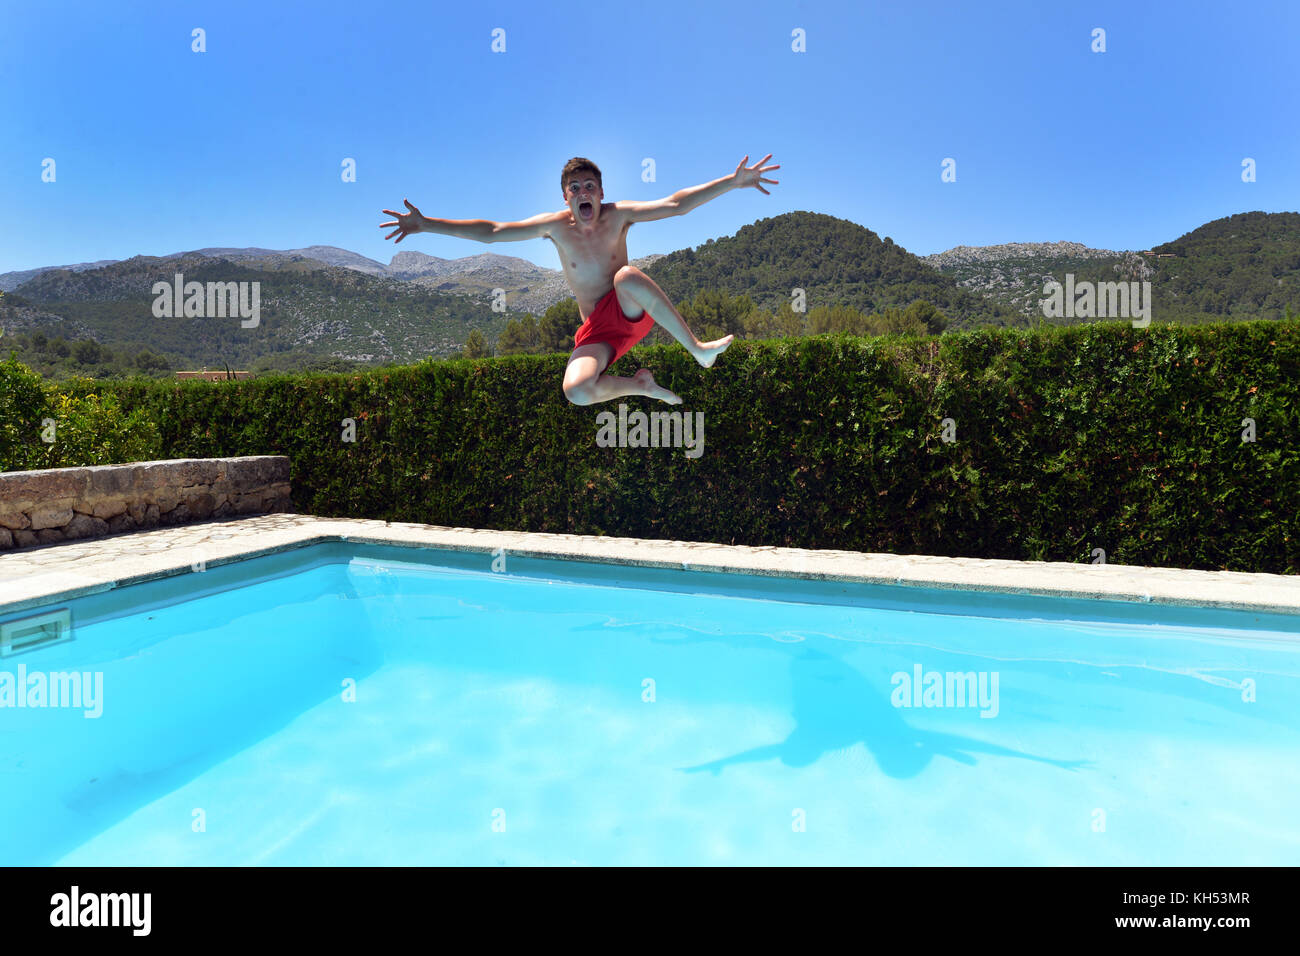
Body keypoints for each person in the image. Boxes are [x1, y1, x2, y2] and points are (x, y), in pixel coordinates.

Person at [381, 154, 779, 404]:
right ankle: (641, 386)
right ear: (566, 198)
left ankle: (697, 349)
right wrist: (426, 224)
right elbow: (494, 230)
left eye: (590, 186)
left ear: (601, 192)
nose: (584, 192)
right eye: (575, 188)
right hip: (597, 333)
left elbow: (676, 205)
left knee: (626, 276)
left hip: (630, 309)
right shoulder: (556, 226)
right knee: (576, 391)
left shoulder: (618, 214)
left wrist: (732, 181)